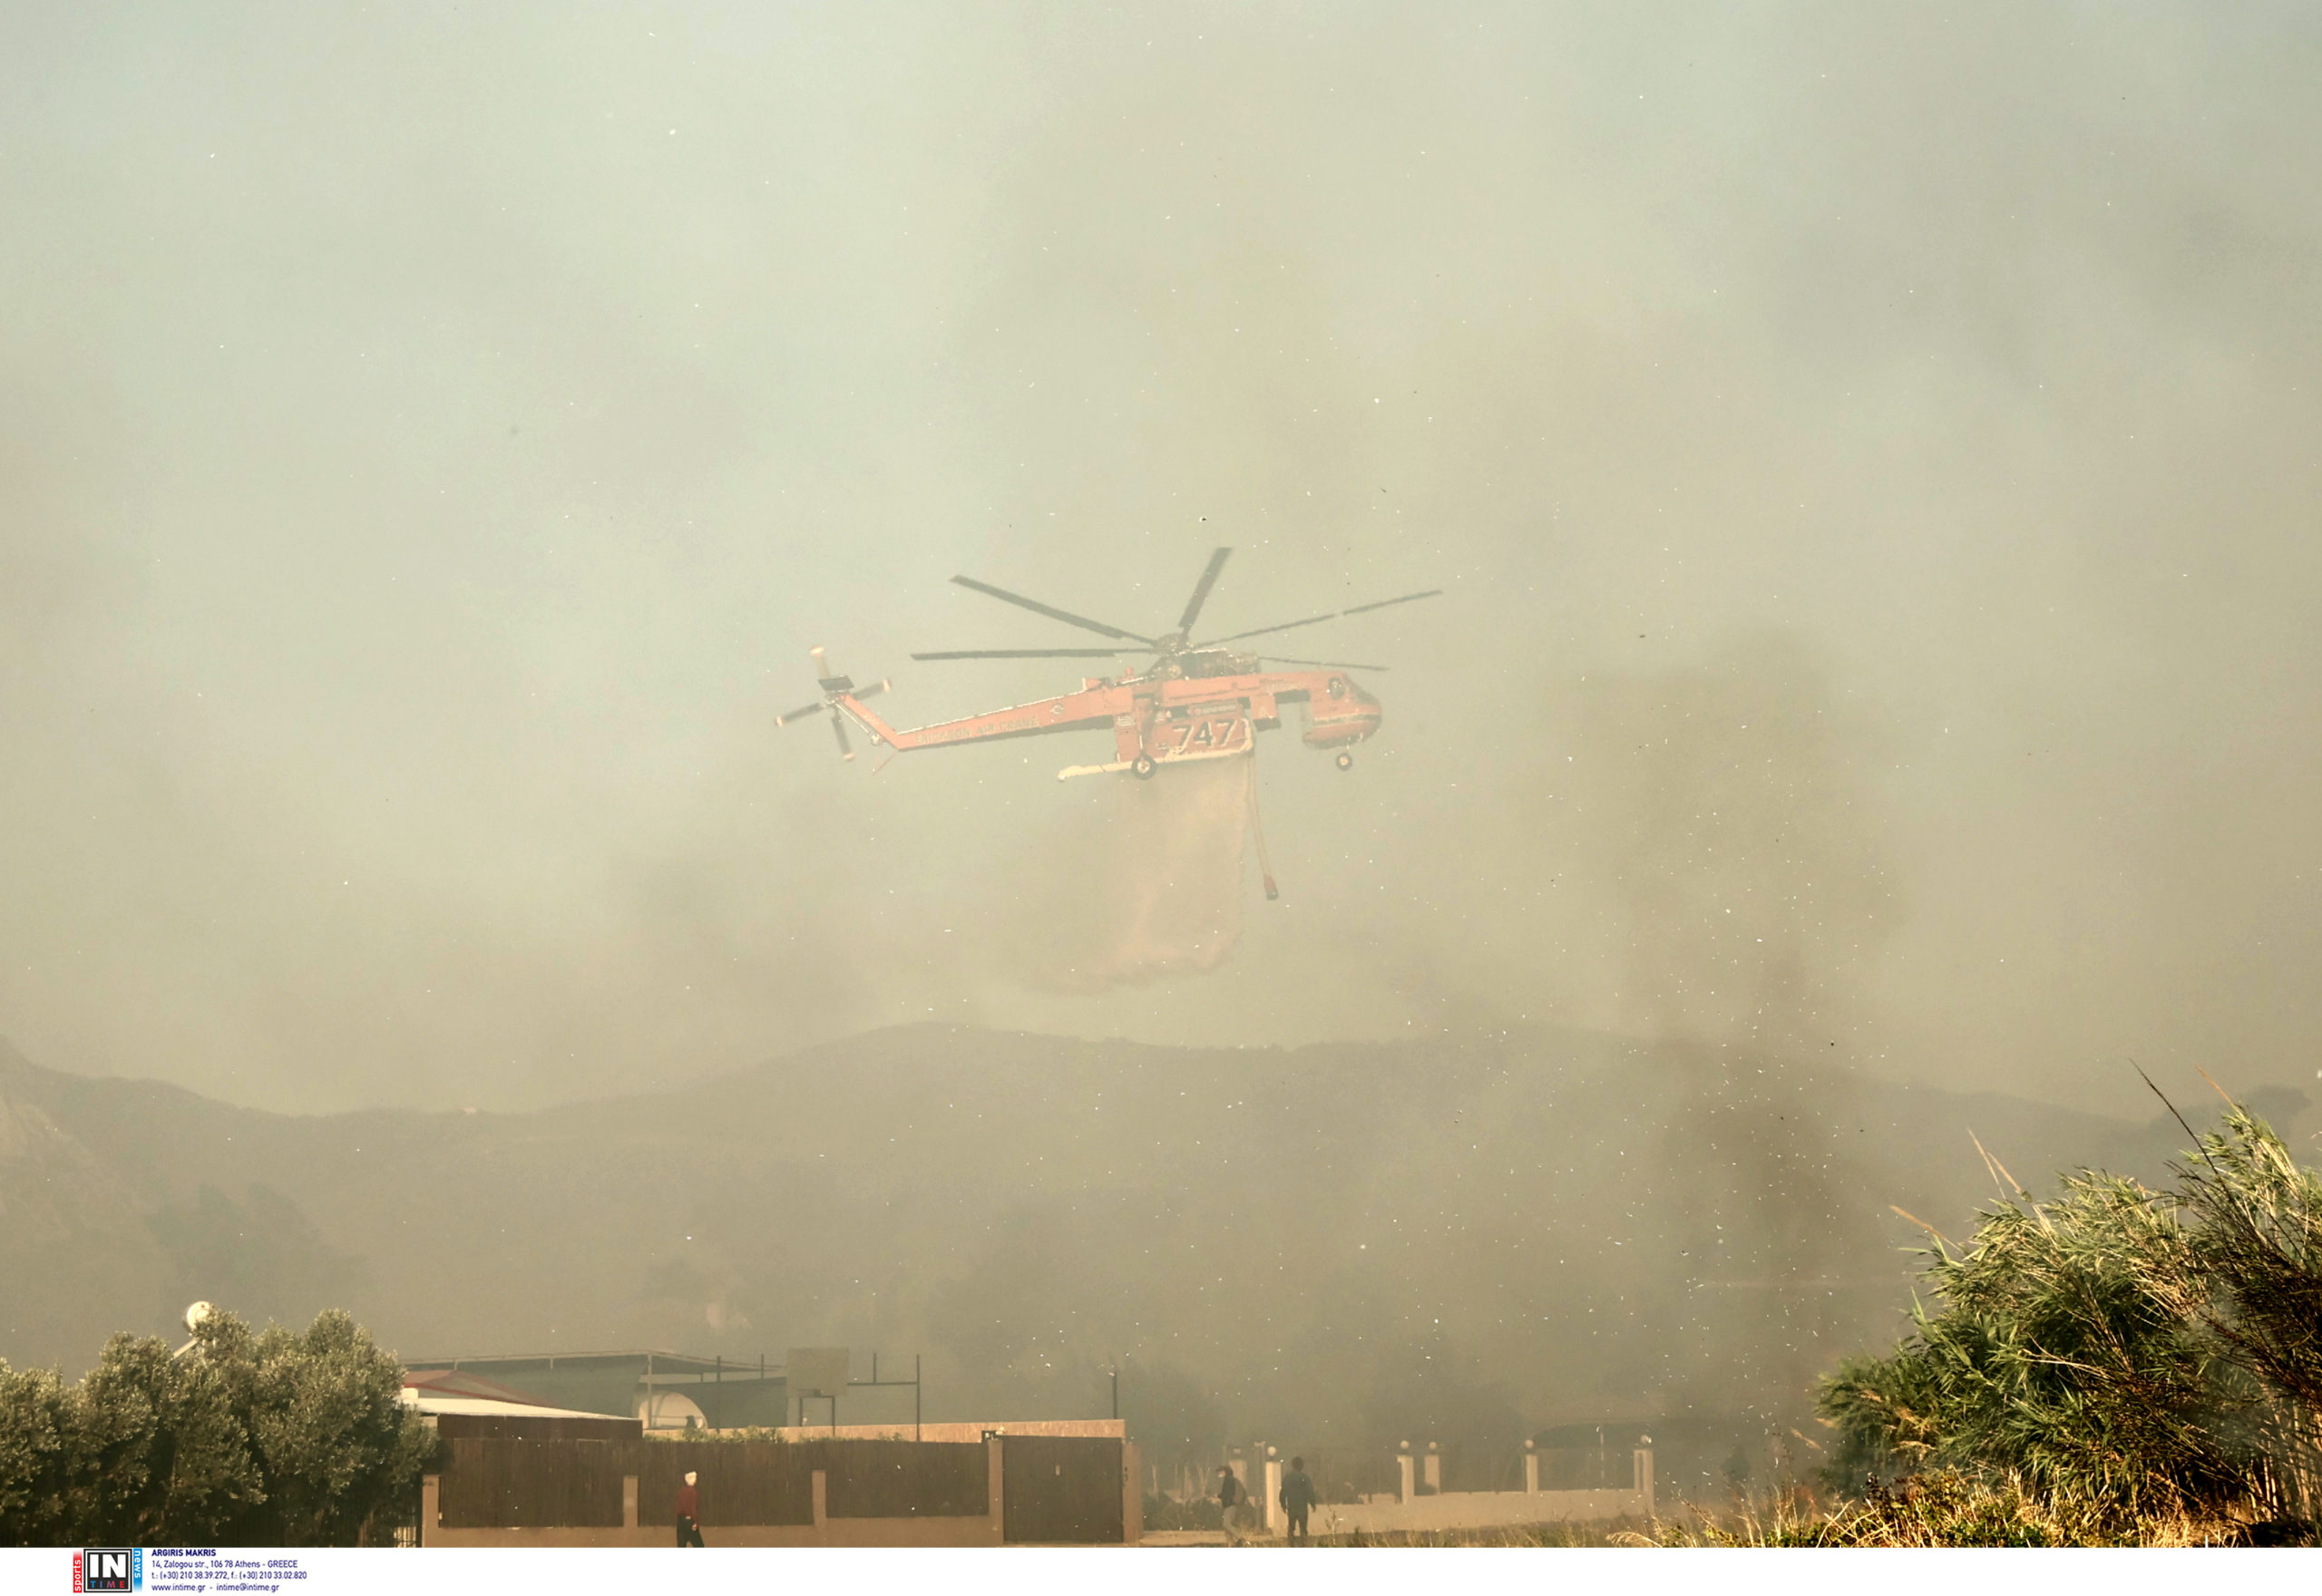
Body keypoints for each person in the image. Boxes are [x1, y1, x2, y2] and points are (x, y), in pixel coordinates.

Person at [1279, 1455, 1318, 1545]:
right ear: (1302, 1466)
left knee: (1291, 1528)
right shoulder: (1305, 1478)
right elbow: (1310, 1492)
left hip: (1292, 1507)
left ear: (1292, 1465)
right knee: (1303, 1529)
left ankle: (1291, 1544)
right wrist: (1313, 1504)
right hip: (1302, 1508)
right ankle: (1303, 1544)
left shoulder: (1287, 1478)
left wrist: (1283, 1505)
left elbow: (1283, 1492)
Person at [1215, 1464, 1248, 1544]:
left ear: (1224, 1472)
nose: (1218, 1474)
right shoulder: (1231, 1480)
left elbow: (1228, 1493)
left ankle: (1240, 1537)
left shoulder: (1228, 1480)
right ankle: (1231, 1543)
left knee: (1226, 1524)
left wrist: (1219, 1495)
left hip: (1230, 1505)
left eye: (1220, 1472)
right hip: (1232, 1504)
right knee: (1228, 1525)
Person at [675, 1469, 706, 1547]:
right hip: (690, 1521)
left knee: (681, 1545)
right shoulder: (693, 1492)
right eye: (695, 1478)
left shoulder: (681, 1491)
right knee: (699, 1545)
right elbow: (693, 1508)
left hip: (681, 1521)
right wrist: (696, 1522)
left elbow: (678, 1506)